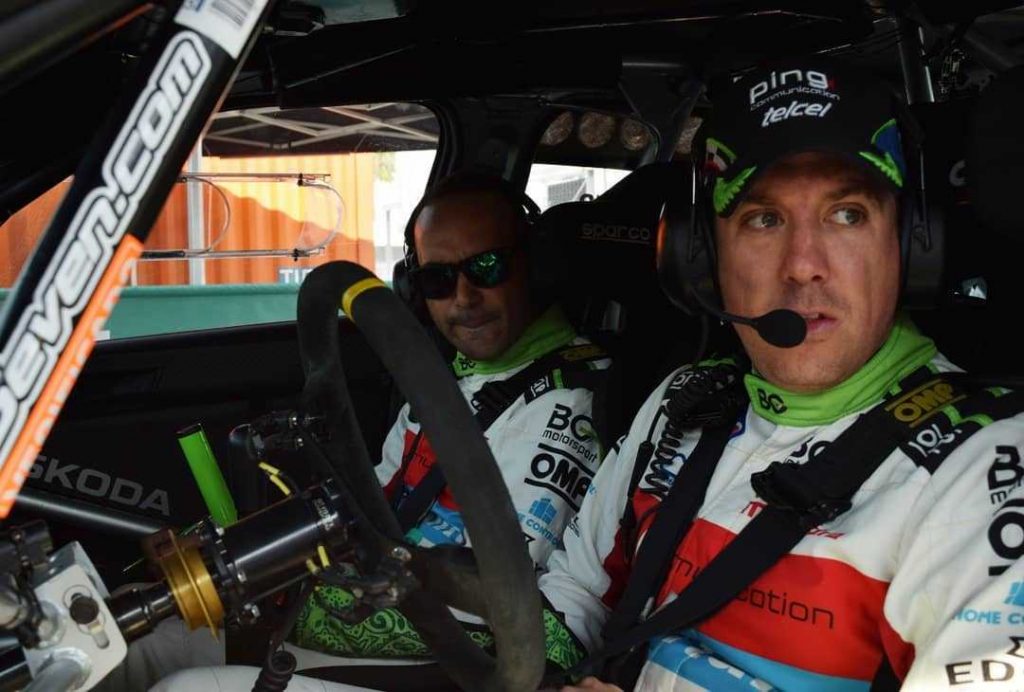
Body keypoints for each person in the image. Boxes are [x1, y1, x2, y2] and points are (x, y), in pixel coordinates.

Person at [538, 58, 1024, 691]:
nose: (802, 266)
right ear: (702, 259)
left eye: (847, 215)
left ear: (910, 246)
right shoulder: (686, 400)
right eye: (763, 219)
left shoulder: (987, 467)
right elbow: (575, 597)